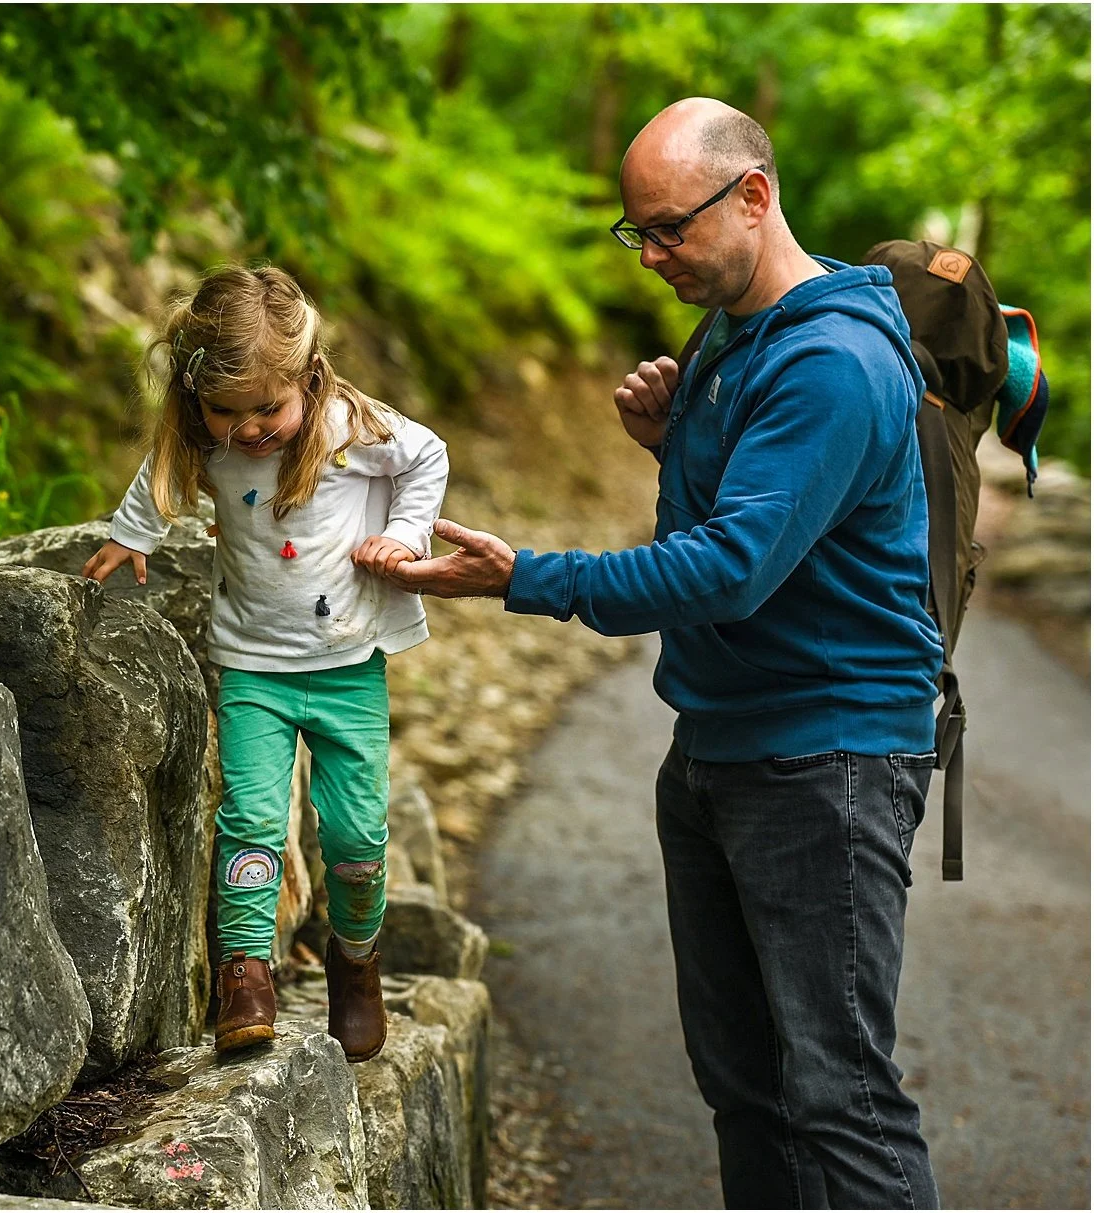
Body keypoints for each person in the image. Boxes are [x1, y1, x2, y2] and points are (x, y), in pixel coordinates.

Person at [386, 99, 944, 1208]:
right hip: (722, 750)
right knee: (744, 1085)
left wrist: (524, 577)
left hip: (822, 765)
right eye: (631, 233)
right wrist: (673, 436)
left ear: (751, 196)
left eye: (666, 229)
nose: (648, 258)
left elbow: (729, 567)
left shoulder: (830, 360)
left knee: (838, 1098)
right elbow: (738, 526)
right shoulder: (741, 336)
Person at [82, 264, 449, 1063]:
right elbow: (161, 475)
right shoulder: (206, 442)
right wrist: (129, 535)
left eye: (267, 409)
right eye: (225, 411)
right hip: (254, 670)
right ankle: (244, 974)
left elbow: (428, 458)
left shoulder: (353, 426)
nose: (248, 429)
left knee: (356, 839)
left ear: (310, 379)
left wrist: (408, 535)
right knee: (249, 819)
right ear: (195, 399)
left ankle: (357, 962)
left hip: (350, 666)